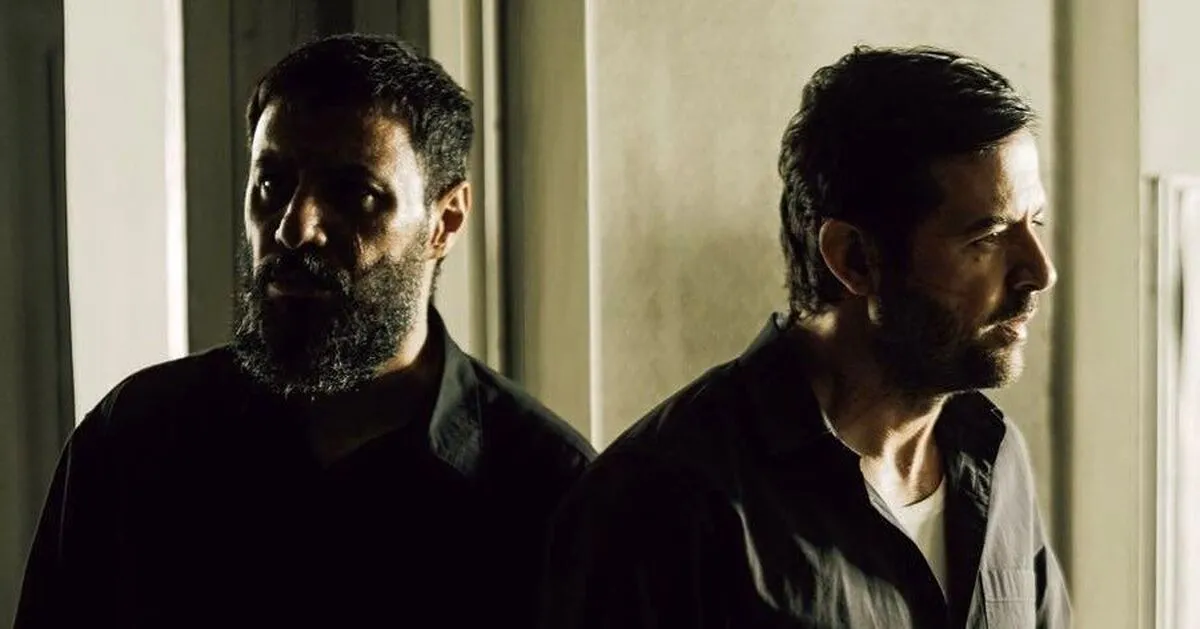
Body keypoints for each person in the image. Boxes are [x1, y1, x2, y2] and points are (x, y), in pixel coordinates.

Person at [17, 33, 594, 629]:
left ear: (444, 221)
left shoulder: (548, 493)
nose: (294, 229)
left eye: (355, 195)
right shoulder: (132, 441)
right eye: (272, 185)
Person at [540, 46, 1071, 628]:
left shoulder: (996, 455)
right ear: (855, 259)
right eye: (987, 238)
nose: (1040, 271)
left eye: (1035, 223)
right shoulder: (662, 500)